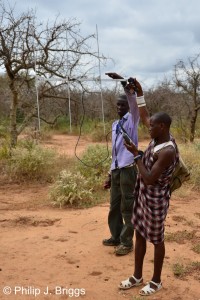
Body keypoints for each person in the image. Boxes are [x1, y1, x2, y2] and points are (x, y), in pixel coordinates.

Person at [118, 112, 179, 295]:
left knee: (157, 239)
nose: (148, 127)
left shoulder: (167, 150)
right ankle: (137, 276)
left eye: (152, 126)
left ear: (162, 127)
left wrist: (136, 155)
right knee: (140, 234)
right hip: (143, 195)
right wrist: (138, 92)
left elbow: (151, 178)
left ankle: (156, 281)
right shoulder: (159, 137)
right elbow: (145, 115)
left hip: (155, 200)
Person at [103, 77, 149, 256]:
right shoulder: (115, 125)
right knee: (114, 205)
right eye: (118, 105)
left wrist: (126, 88)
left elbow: (134, 104)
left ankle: (126, 242)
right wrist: (109, 173)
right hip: (116, 170)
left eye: (123, 105)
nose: (120, 108)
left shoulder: (132, 120)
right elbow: (115, 152)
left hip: (129, 169)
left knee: (127, 206)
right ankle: (115, 235)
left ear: (128, 107)